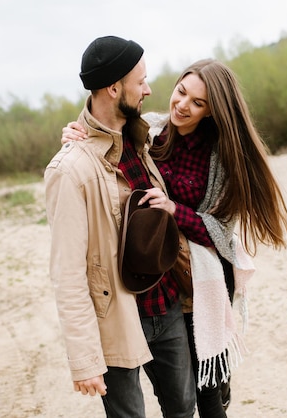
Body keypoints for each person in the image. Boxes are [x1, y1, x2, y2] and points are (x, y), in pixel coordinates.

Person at [63, 58, 287, 417]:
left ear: (212, 111)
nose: (182, 105)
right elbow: (104, 135)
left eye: (197, 103)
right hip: (164, 275)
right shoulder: (150, 131)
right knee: (185, 393)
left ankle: (220, 381)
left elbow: (221, 233)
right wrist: (76, 132)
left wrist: (174, 210)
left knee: (207, 396)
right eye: (181, 92)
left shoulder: (223, 158)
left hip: (201, 280)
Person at [45, 36, 196, 418]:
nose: (148, 89)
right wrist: (84, 359)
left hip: (166, 303)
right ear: (114, 88)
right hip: (118, 318)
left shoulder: (144, 137)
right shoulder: (69, 170)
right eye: (140, 81)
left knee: (183, 408)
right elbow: (68, 273)